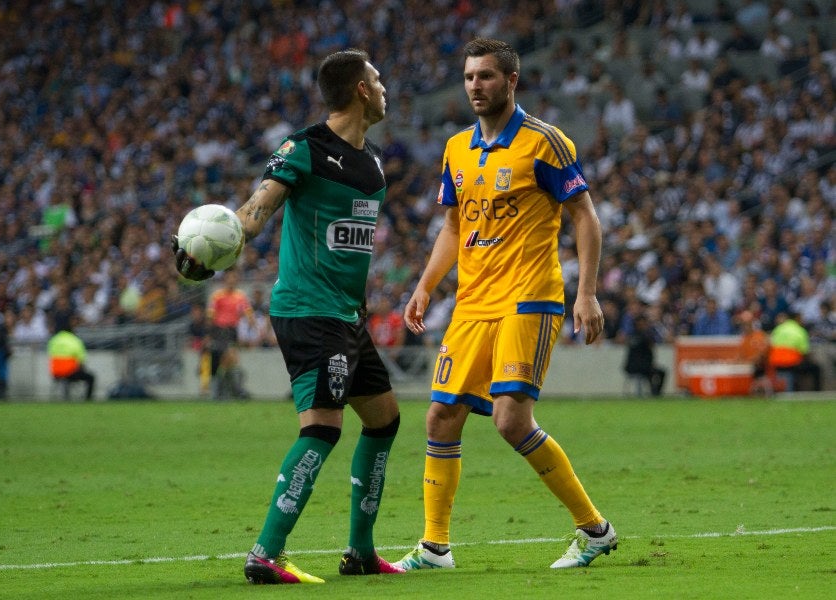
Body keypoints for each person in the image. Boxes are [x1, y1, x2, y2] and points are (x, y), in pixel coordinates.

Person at [172, 49, 403, 584]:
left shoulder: (371, 164)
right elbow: (255, 213)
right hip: (308, 310)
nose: (385, 85)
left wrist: (360, 299)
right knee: (322, 428)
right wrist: (207, 250)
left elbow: (351, 243)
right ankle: (266, 554)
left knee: (384, 418)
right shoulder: (304, 148)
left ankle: (360, 553)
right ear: (361, 91)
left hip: (347, 313)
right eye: (378, 77)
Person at [393, 38, 616, 573]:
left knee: (511, 421)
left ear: (511, 81)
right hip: (472, 303)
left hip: (530, 297)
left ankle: (594, 530)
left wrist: (585, 292)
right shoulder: (456, 148)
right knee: (441, 416)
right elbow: (453, 225)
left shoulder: (546, 143)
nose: (475, 86)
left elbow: (584, 216)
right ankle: (435, 547)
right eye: (469, 77)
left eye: (486, 76)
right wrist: (425, 284)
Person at [206, 270, 252, 399]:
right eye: (229, 278)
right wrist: (209, 334)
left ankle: (221, 391)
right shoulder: (217, 296)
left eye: (234, 278)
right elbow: (210, 316)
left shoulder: (240, 296)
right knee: (231, 358)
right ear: (225, 280)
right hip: (220, 330)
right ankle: (235, 390)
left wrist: (251, 329)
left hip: (233, 331)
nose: (231, 280)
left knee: (227, 362)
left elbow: (248, 313)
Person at [767, 311, 822, 392]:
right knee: (815, 368)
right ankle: (816, 393)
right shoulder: (800, 330)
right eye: (801, 318)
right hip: (791, 362)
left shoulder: (779, 328)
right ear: (797, 318)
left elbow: (770, 344)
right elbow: (804, 352)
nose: (803, 321)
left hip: (775, 362)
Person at [47, 322, 95, 401]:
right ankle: (88, 399)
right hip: (71, 372)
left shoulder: (53, 340)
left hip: (56, 373)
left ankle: (65, 396)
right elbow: (81, 359)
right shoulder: (75, 340)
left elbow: (50, 354)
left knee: (66, 377)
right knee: (91, 377)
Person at [624, 314, 667, 397]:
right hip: (636, 366)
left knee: (659, 372)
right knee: (653, 372)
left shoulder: (635, 335)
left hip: (641, 365)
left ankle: (655, 392)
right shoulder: (639, 335)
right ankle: (654, 393)